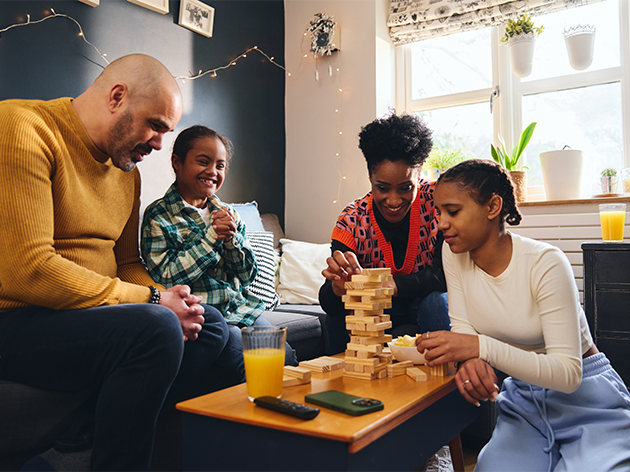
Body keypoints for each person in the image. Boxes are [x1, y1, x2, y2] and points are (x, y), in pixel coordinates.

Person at [0, 54, 236, 472]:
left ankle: (81, 430)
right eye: (156, 125)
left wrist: (169, 297)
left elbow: (126, 262)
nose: (161, 144)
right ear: (116, 97)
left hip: (88, 318)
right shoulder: (23, 128)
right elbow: (28, 269)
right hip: (20, 318)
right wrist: (150, 300)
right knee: (158, 326)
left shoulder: (128, 171)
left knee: (211, 323)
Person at [418, 159, 630, 471]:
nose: (441, 224)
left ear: (493, 207)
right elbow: (464, 331)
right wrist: (471, 360)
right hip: (524, 401)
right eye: (438, 213)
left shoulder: (546, 263)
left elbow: (567, 375)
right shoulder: (453, 253)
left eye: (453, 211)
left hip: (586, 397)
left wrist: (479, 349)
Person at [141, 125, 297, 367]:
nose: (212, 171)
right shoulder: (159, 216)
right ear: (177, 162)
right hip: (202, 317)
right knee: (243, 359)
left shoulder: (228, 213)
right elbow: (166, 277)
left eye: (220, 165)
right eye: (203, 161)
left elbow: (246, 276)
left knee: (285, 356)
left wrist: (233, 240)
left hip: (240, 310)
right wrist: (211, 238)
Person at [318, 113, 450, 355]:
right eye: (382, 188)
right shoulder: (351, 221)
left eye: (405, 188)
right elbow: (328, 302)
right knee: (341, 314)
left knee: (437, 302)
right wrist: (338, 287)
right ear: (370, 178)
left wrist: (391, 285)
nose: (393, 200)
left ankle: (445, 385)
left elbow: (447, 275)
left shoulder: (439, 203)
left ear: (419, 176)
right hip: (379, 311)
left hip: (426, 304)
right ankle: (348, 387)